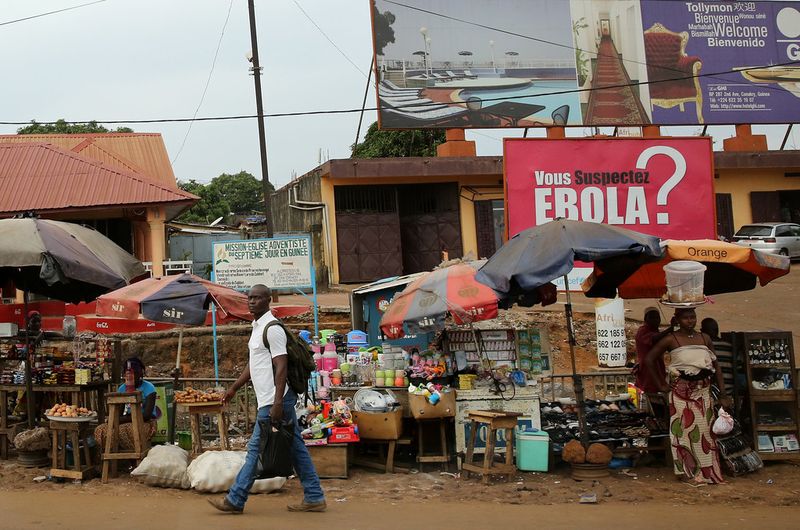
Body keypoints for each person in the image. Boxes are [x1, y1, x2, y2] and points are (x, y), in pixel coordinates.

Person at [209, 284, 325, 515]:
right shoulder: (257, 327)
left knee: (256, 448)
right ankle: (314, 496)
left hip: (274, 400)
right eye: (250, 298)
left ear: (268, 300)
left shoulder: (272, 329)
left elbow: (281, 366)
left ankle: (235, 499)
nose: (252, 302)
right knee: (296, 447)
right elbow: (253, 365)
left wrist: (278, 402)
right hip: (270, 399)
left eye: (257, 298)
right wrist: (233, 388)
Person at [645, 307, 732, 486]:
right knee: (682, 433)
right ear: (677, 319)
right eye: (686, 318)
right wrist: (661, 385)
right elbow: (649, 360)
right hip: (680, 393)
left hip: (703, 392)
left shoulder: (705, 338)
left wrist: (723, 394)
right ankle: (686, 472)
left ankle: (708, 472)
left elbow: (717, 368)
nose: (690, 321)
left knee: (706, 433)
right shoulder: (671, 339)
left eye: (693, 317)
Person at [94, 357, 157, 451]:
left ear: (140, 374)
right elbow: (118, 412)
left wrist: (122, 419)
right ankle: (112, 454)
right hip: (126, 420)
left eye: (133, 374)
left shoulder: (149, 388)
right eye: (127, 375)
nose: (130, 377)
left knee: (123, 430)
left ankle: (134, 454)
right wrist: (114, 420)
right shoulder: (122, 389)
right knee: (101, 429)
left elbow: (146, 415)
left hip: (146, 422)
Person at [700, 318, 737, 400]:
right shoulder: (728, 345)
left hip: (712, 390)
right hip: (730, 389)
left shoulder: (704, 347)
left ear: (703, 331)